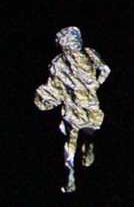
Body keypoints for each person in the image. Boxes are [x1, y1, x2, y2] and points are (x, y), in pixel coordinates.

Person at [34, 26, 110, 193]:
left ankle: (73, 170)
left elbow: (54, 87)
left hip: (79, 104)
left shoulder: (61, 61)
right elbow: (105, 70)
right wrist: (95, 85)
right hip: (81, 104)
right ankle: (75, 168)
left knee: (74, 139)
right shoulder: (84, 55)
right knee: (82, 134)